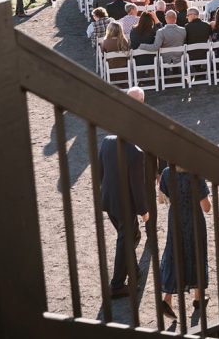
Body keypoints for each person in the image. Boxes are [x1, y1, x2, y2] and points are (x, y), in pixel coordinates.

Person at [98, 115, 151, 299]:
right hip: (124, 205)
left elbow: (100, 171)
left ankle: (134, 270)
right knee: (126, 240)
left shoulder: (106, 141)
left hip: (107, 200)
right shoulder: (136, 153)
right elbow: (137, 186)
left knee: (129, 236)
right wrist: (144, 211)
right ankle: (117, 285)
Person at [159, 164, 211, 316]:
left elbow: (161, 199)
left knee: (175, 254)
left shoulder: (167, 172)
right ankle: (198, 297)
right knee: (197, 255)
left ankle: (169, 298)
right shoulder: (195, 174)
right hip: (194, 222)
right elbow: (206, 207)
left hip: (175, 221)